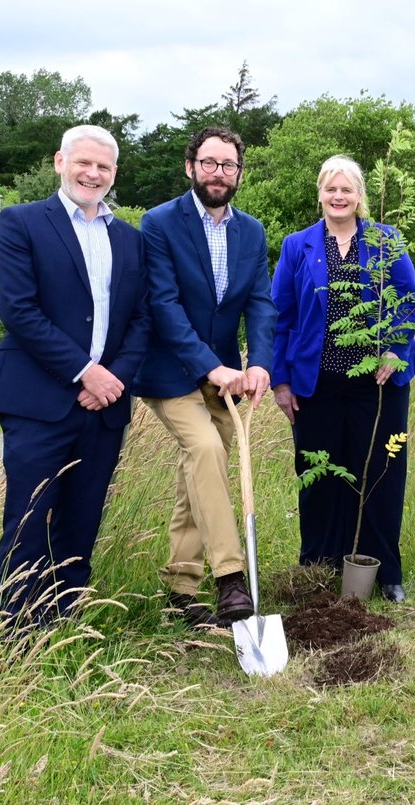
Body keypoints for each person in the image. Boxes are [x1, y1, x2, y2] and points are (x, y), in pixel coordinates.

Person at [0, 124, 150, 629]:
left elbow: (142, 319)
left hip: (104, 409)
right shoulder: (21, 223)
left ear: (114, 173)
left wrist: (112, 380)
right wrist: (85, 373)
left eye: (103, 166)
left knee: (82, 522)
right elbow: (20, 310)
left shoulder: (130, 239)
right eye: (84, 163)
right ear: (60, 162)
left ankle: (62, 627)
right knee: (28, 521)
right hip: (38, 402)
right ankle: (17, 636)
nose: (92, 174)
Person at [133, 126, 276, 629]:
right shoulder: (159, 223)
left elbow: (260, 302)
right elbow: (163, 304)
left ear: (239, 173)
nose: (219, 173)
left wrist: (259, 362)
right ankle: (230, 578)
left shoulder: (251, 232)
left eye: (228, 165)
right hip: (169, 370)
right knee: (208, 450)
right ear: (190, 166)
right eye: (210, 163)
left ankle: (179, 586)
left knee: (198, 472)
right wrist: (210, 366)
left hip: (224, 375)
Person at [271, 155, 415, 603]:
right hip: (315, 382)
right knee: (319, 474)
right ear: (320, 194)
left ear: (360, 196)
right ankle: (319, 569)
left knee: (380, 473)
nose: (338, 197)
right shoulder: (297, 245)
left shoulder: (385, 240)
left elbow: (408, 301)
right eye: (331, 189)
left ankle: (385, 572)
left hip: (377, 382)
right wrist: (280, 380)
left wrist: (395, 350)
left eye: (347, 189)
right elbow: (280, 316)